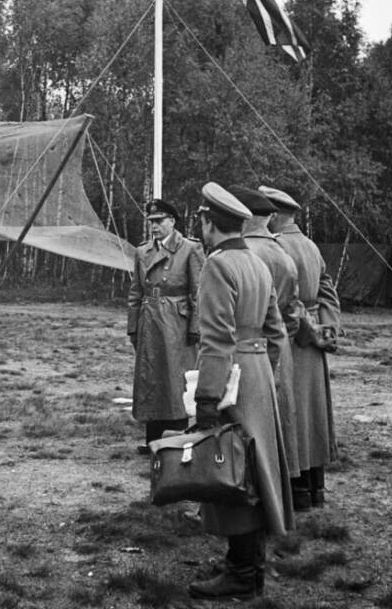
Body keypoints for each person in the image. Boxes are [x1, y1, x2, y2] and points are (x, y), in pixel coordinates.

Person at [189, 182, 294, 601]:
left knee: (232, 471)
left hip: (230, 378)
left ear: (208, 222)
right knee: (257, 471)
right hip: (257, 376)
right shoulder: (257, 262)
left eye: (201, 220)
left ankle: (242, 573)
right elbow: (276, 331)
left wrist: (207, 398)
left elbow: (216, 340)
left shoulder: (217, 265)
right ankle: (250, 566)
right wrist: (263, 373)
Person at [260, 185, 341, 510]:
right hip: (312, 337)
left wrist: (308, 331)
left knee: (291, 414)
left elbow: (287, 302)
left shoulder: (275, 247)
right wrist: (328, 327)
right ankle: (315, 488)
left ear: (274, 215)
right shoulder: (310, 245)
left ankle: (296, 491)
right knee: (312, 414)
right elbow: (327, 288)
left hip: (291, 336)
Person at [229, 185, 302, 481]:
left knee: (244, 424)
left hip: (245, 347)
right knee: (279, 421)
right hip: (279, 344)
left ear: (244, 218)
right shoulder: (284, 254)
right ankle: (286, 488)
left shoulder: (239, 254)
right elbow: (292, 312)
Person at [127, 198, 205, 453]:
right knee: (150, 377)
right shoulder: (142, 251)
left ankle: (176, 440)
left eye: (159, 221)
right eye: (151, 221)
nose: (154, 226)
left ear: (172, 221)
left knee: (176, 380)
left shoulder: (189, 249)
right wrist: (133, 326)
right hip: (149, 319)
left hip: (176, 322)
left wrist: (195, 327)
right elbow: (135, 291)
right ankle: (152, 440)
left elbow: (198, 292)